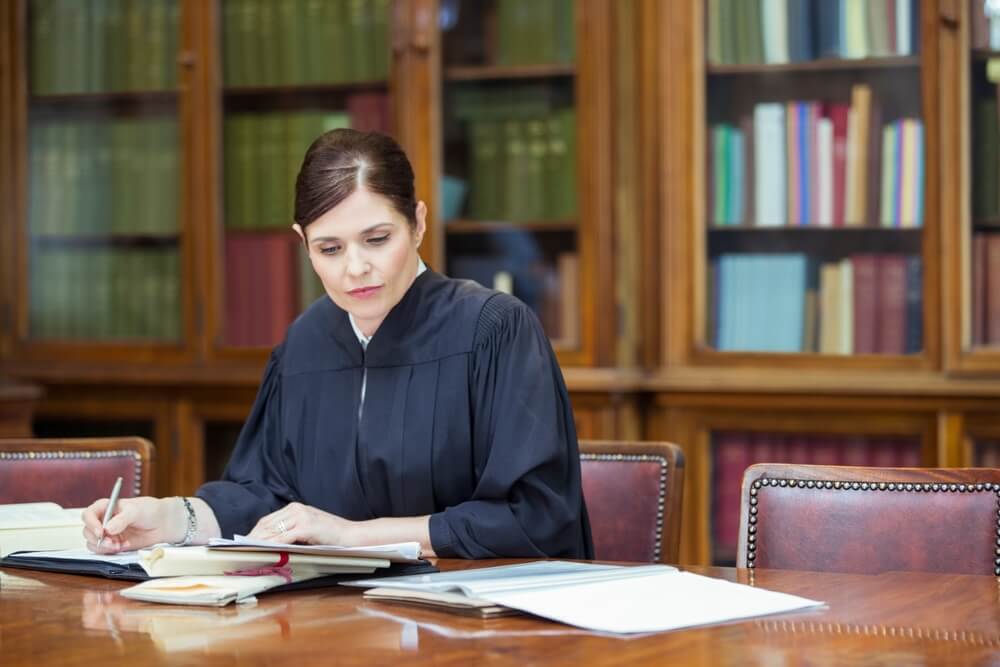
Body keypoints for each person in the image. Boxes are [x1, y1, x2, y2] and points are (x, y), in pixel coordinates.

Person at [82, 129, 593, 559]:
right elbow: (266, 497)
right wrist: (172, 517)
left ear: (417, 223)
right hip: (335, 625)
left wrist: (352, 537)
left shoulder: (494, 330)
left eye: (377, 239)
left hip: (479, 626)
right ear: (303, 243)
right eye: (329, 248)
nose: (355, 269)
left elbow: (537, 518)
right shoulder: (305, 344)